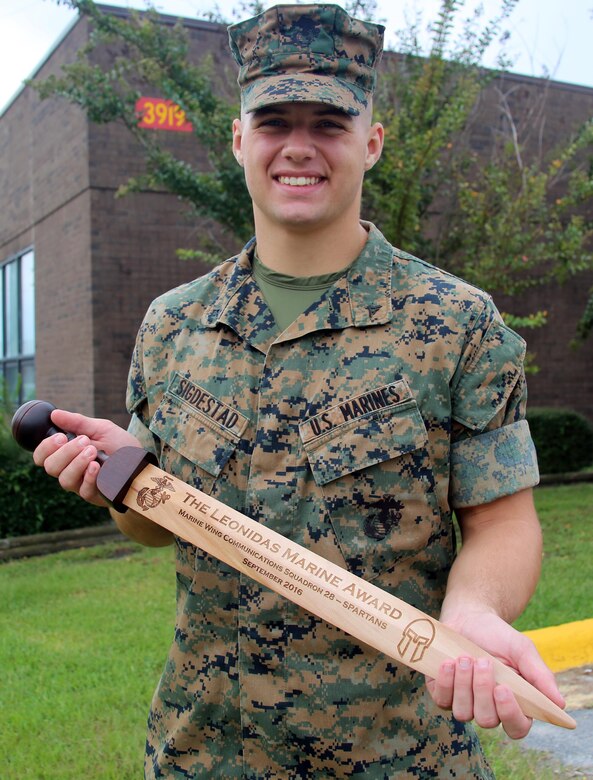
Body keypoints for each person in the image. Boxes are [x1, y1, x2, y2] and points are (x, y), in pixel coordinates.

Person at [34, 4, 567, 778]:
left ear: (372, 142)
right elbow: (160, 531)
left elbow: (503, 523)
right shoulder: (174, 325)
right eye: (275, 120)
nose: (299, 147)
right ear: (238, 138)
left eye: (328, 123)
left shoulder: (454, 322)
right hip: (201, 754)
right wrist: (128, 487)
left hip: (394, 756)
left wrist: (473, 610)